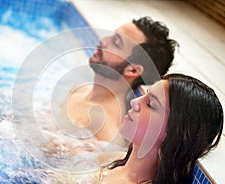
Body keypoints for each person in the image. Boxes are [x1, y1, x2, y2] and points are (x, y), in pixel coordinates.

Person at [84, 73, 224, 184]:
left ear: (173, 132)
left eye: (150, 104)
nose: (135, 102)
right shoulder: (113, 159)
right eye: (144, 96)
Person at [63, 17, 179, 146]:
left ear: (133, 70)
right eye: (111, 36)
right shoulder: (79, 89)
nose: (103, 41)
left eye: (116, 42)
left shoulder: (107, 130)